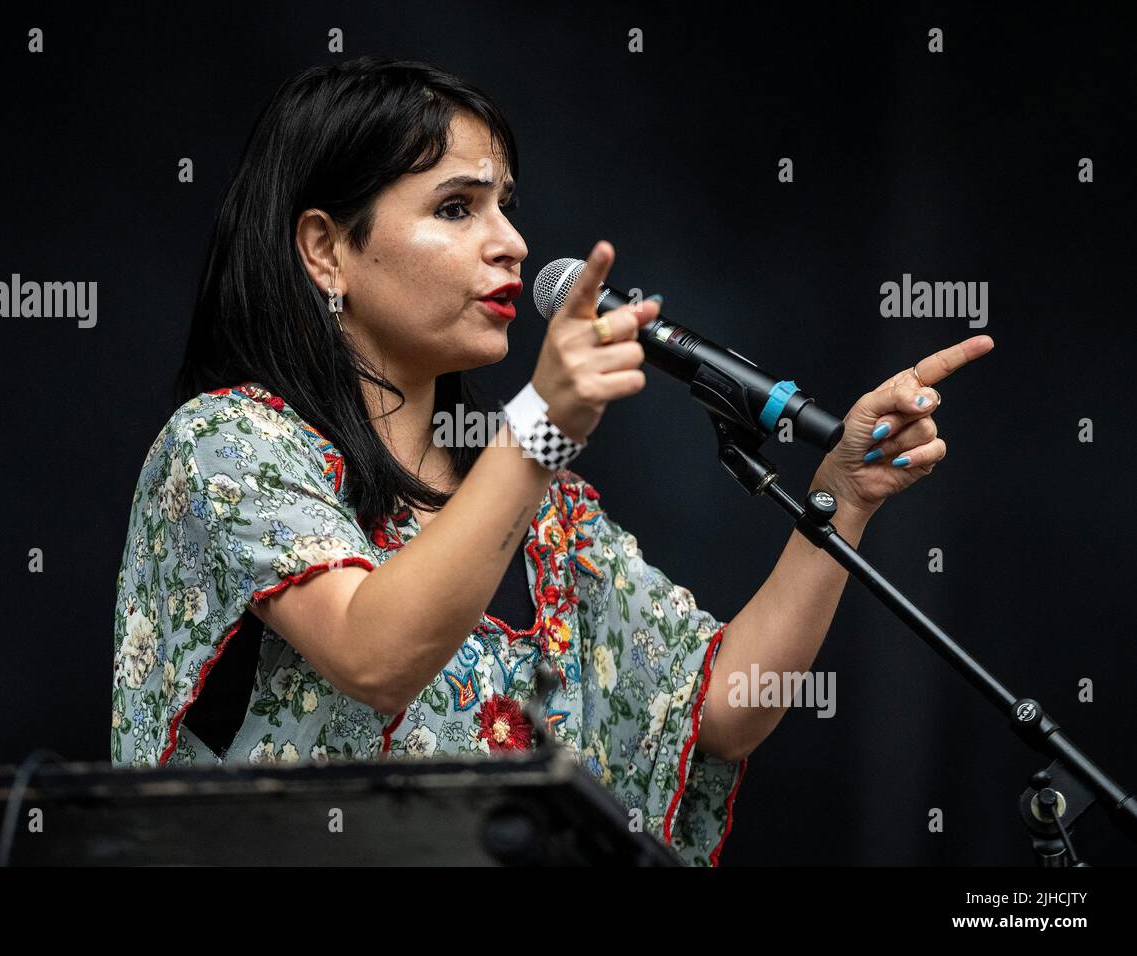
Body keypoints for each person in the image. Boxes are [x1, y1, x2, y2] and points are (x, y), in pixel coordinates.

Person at [110, 56, 994, 866]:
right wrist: (541, 426)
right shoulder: (228, 445)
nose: (512, 244)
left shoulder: (543, 506)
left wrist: (842, 495)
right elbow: (373, 652)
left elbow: (720, 710)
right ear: (325, 248)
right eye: (457, 208)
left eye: (507, 207)